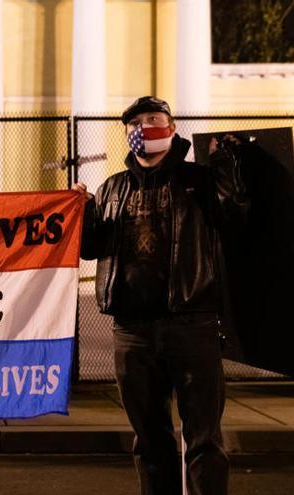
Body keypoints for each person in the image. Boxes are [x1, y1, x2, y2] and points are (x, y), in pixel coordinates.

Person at [74, 96, 248, 495]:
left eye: (153, 118)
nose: (144, 126)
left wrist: (226, 167)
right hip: (132, 332)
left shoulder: (198, 180)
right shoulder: (112, 188)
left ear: (171, 127)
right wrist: (84, 210)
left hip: (191, 325)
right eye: (135, 122)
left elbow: (234, 216)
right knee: (150, 440)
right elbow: (91, 247)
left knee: (204, 439)